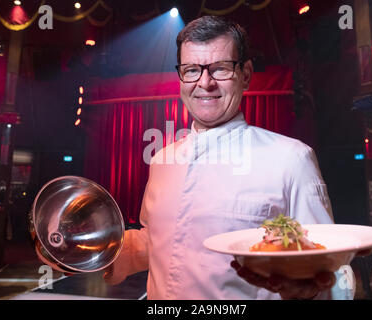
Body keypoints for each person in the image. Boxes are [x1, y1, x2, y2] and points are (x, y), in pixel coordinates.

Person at [104, 15, 354, 300]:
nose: (205, 83)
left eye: (220, 68)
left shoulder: (292, 159)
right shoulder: (162, 160)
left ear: (245, 74)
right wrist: (92, 253)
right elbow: (157, 240)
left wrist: (309, 292)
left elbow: (332, 267)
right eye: (191, 70)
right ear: (181, 77)